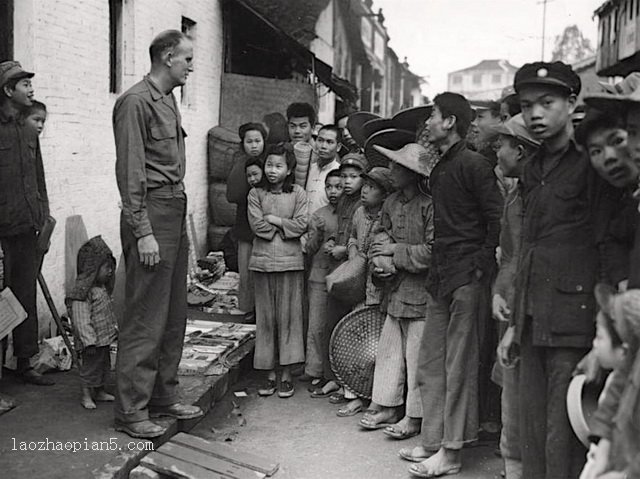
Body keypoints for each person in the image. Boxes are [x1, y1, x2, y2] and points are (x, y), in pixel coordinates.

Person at [499, 61, 597, 478]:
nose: (535, 113)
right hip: (533, 316)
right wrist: (514, 326)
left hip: (576, 320)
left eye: (547, 102)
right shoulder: (533, 168)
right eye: (526, 106)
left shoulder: (590, 165)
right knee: (533, 430)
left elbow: (606, 247)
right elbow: (528, 250)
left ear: (571, 103)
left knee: (565, 432)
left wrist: (603, 335)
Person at [112, 30, 202, 439]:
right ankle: (132, 410)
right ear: (167, 57)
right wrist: (143, 232)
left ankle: (163, 395)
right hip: (150, 213)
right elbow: (130, 174)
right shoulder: (135, 102)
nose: (191, 66)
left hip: (173, 208)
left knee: (172, 313)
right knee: (145, 315)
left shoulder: (167, 99)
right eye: (186, 59)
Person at [408, 92, 503, 477]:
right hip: (441, 277)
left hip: (466, 277)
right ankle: (434, 440)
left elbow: (497, 222)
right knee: (432, 360)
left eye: (433, 115)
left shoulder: (475, 165)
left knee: (460, 364)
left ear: (449, 122)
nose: (429, 122)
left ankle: (452, 453)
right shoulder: (442, 167)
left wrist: (478, 267)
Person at [359, 144, 433, 444]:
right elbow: (380, 235)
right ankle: (387, 406)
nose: (391, 171)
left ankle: (414, 416)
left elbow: (432, 251)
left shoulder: (430, 206)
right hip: (394, 289)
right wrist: (380, 262)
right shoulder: (390, 203)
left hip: (421, 292)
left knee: (417, 356)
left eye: (396, 167)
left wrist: (395, 252)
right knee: (389, 350)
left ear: (412, 174)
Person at [492, 114, 541, 479]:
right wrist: (498, 291)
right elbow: (508, 254)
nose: (497, 150)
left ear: (520, 151)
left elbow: (524, 256)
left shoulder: (535, 196)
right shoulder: (517, 192)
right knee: (512, 388)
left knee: (525, 391)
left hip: (529, 304)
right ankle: (513, 466)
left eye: (503, 144)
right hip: (510, 300)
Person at [0, 61, 53, 386]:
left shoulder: (27, 130)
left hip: (27, 228)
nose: (30, 89)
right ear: (8, 91)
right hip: (1, 231)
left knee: (24, 296)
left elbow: (39, 178)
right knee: (1, 302)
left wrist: (43, 215)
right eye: (23, 84)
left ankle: (25, 362)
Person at [247, 143, 308, 399]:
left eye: (278, 166)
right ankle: (269, 373)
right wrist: (281, 228)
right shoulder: (255, 194)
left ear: (289, 168)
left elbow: (303, 223)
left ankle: (286, 373)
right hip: (262, 262)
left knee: (289, 318)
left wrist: (277, 221)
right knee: (266, 319)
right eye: (269, 165)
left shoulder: (298, 193)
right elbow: (256, 224)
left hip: (290, 262)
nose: (272, 170)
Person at [333, 166, 392, 417]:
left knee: (378, 344)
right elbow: (352, 238)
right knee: (354, 338)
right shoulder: (358, 212)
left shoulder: (387, 215)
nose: (365, 192)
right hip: (358, 282)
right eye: (364, 186)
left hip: (379, 286)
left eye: (371, 188)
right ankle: (353, 394)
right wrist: (354, 250)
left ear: (384, 194)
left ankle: (376, 397)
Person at [310, 153, 367, 398]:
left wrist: (344, 248)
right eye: (344, 176)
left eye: (353, 177)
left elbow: (361, 237)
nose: (347, 181)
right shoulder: (343, 201)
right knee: (330, 324)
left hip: (354, 272)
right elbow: (340, 230)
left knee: (351, 329)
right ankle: (333, 377)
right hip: (336, 271)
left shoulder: (364, 205)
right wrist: (333, 241)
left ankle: (350, 382)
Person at [65, 236, 118, 410]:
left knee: (103, 367)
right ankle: (86, 395)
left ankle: (100, 391)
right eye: (106, 268)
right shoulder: (82, 294)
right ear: (93, 269)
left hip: (103, 339)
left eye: (111, 267)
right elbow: (81, 320)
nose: (110, 271)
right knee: (89, 369)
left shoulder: (101, 289)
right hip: (92, 342)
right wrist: (88, 341)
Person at [302, 169, 342, 385]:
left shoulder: (350, 213)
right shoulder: (318, 214)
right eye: (329, 187)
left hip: (340, 275)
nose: (333, 191)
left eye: (338, 186)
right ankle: (314, 369)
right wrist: (316, 235)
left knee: (334, 325)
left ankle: (333, 373)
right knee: (316, 324)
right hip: (319, 274)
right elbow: (309, 249)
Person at [226, 122, 267, 315]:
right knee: (245, 275)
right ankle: (245, 313)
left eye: (258, 141)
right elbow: (232, 195)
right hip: (245, 227)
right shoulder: (240, 164)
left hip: (268, 228)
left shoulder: (270, 163)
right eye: (249, 141)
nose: (254, 145)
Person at [306, 124, 342, 216]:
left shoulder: (340, 173)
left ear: (338, 147)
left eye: (329, 142)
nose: (323, 146)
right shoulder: (308, 169)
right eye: (320, 140)